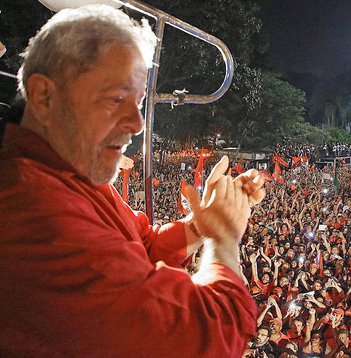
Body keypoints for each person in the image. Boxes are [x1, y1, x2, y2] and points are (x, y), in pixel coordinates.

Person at [0, 5, 265, 357]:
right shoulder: (32, 213)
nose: (137, 123)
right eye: (116, 99)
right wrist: (224, 240)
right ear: (44, 96)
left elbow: (145, 246)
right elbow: (205, 334)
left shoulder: (76, 174)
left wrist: (201, 225)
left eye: (138, 102)